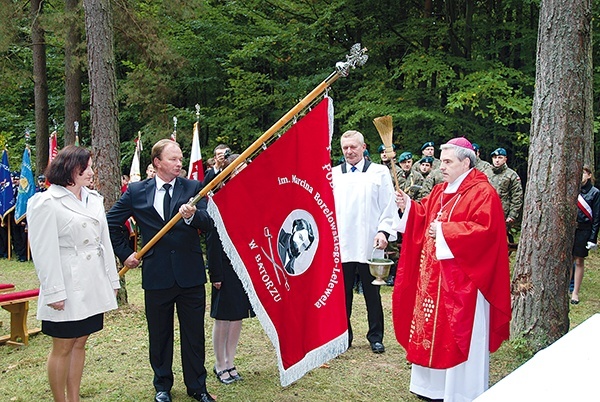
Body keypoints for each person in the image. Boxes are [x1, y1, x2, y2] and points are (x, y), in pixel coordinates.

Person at [393, 137, 511, 401]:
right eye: (441, 161)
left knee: (458, 335)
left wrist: (446, 231)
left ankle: (460, 392)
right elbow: (424, 214)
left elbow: (486, 233)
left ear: (465, 162)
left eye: (447, 161)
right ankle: (430, 389)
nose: (441, 166)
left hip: (464, 283)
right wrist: (409, 207)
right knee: (430, 331)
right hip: (433, 280)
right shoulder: (440, 190)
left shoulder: (483, 192)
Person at [107, 139, 215, 402]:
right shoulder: (136, 191)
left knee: (193, 334)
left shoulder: (193, 187)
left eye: (181, 159)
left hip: (189, 275)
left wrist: (191, 217)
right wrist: (125, 253)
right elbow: (110, 222)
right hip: (157, 275)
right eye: (173, 159)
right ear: (157, 162)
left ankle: (197, 386)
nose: (179, 163)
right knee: (159, 334)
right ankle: (163, 386)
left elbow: (209, 222)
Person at [26, 145, 120, 402]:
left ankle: (74, 398)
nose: (92, 171)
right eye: (86, 167)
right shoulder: (45, 202)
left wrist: (112, 280)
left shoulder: (93, 198)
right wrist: (54, 291)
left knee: (81, 341)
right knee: (63, 345)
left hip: (91, 283)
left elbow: (104, 242)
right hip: (66, 283)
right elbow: (44, 252)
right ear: (70, 169)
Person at [332, 130, 399, 354]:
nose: (349, 151)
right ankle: (343, 336)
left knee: (372, 293)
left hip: (372, 243)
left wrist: (383, 231)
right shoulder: (333, 175)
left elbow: (388, 206)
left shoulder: (379, 172)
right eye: (345, 148)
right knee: (343, 295)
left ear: (363, 147)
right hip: (343, 244)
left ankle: (376, 336)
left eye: (353, 147)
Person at [206, 153, 255, 385]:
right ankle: (219, 363)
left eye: (246, 168)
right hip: (224, 267)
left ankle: (231, 361)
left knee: (237, 316)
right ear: (228, 171)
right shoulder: (219, 198)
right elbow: (213, 238)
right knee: (223, 317)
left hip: (244, 266)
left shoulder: (252, 194)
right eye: (238, 168)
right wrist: (215, 272)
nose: (242, 172)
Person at [571, 166, 600, 304]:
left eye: (583, 173)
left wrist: (593, 237)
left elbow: (596, 217)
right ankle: (565, 288)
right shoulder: (572, 189)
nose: (581, 175)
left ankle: (575, 292)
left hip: (584, 230)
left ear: (589, 175)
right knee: (567, 260)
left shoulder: (595, 193)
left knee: (579, 260)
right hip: (571, 230)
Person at [489, 147, 523, 243]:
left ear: (505, 159)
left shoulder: (511, 175)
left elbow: (517, 196)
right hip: (486, 212)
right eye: (495, 157)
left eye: (500, 157)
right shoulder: (486, 173)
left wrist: (512, 216)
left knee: (498, 241)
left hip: (503, 213)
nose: (497, 160)